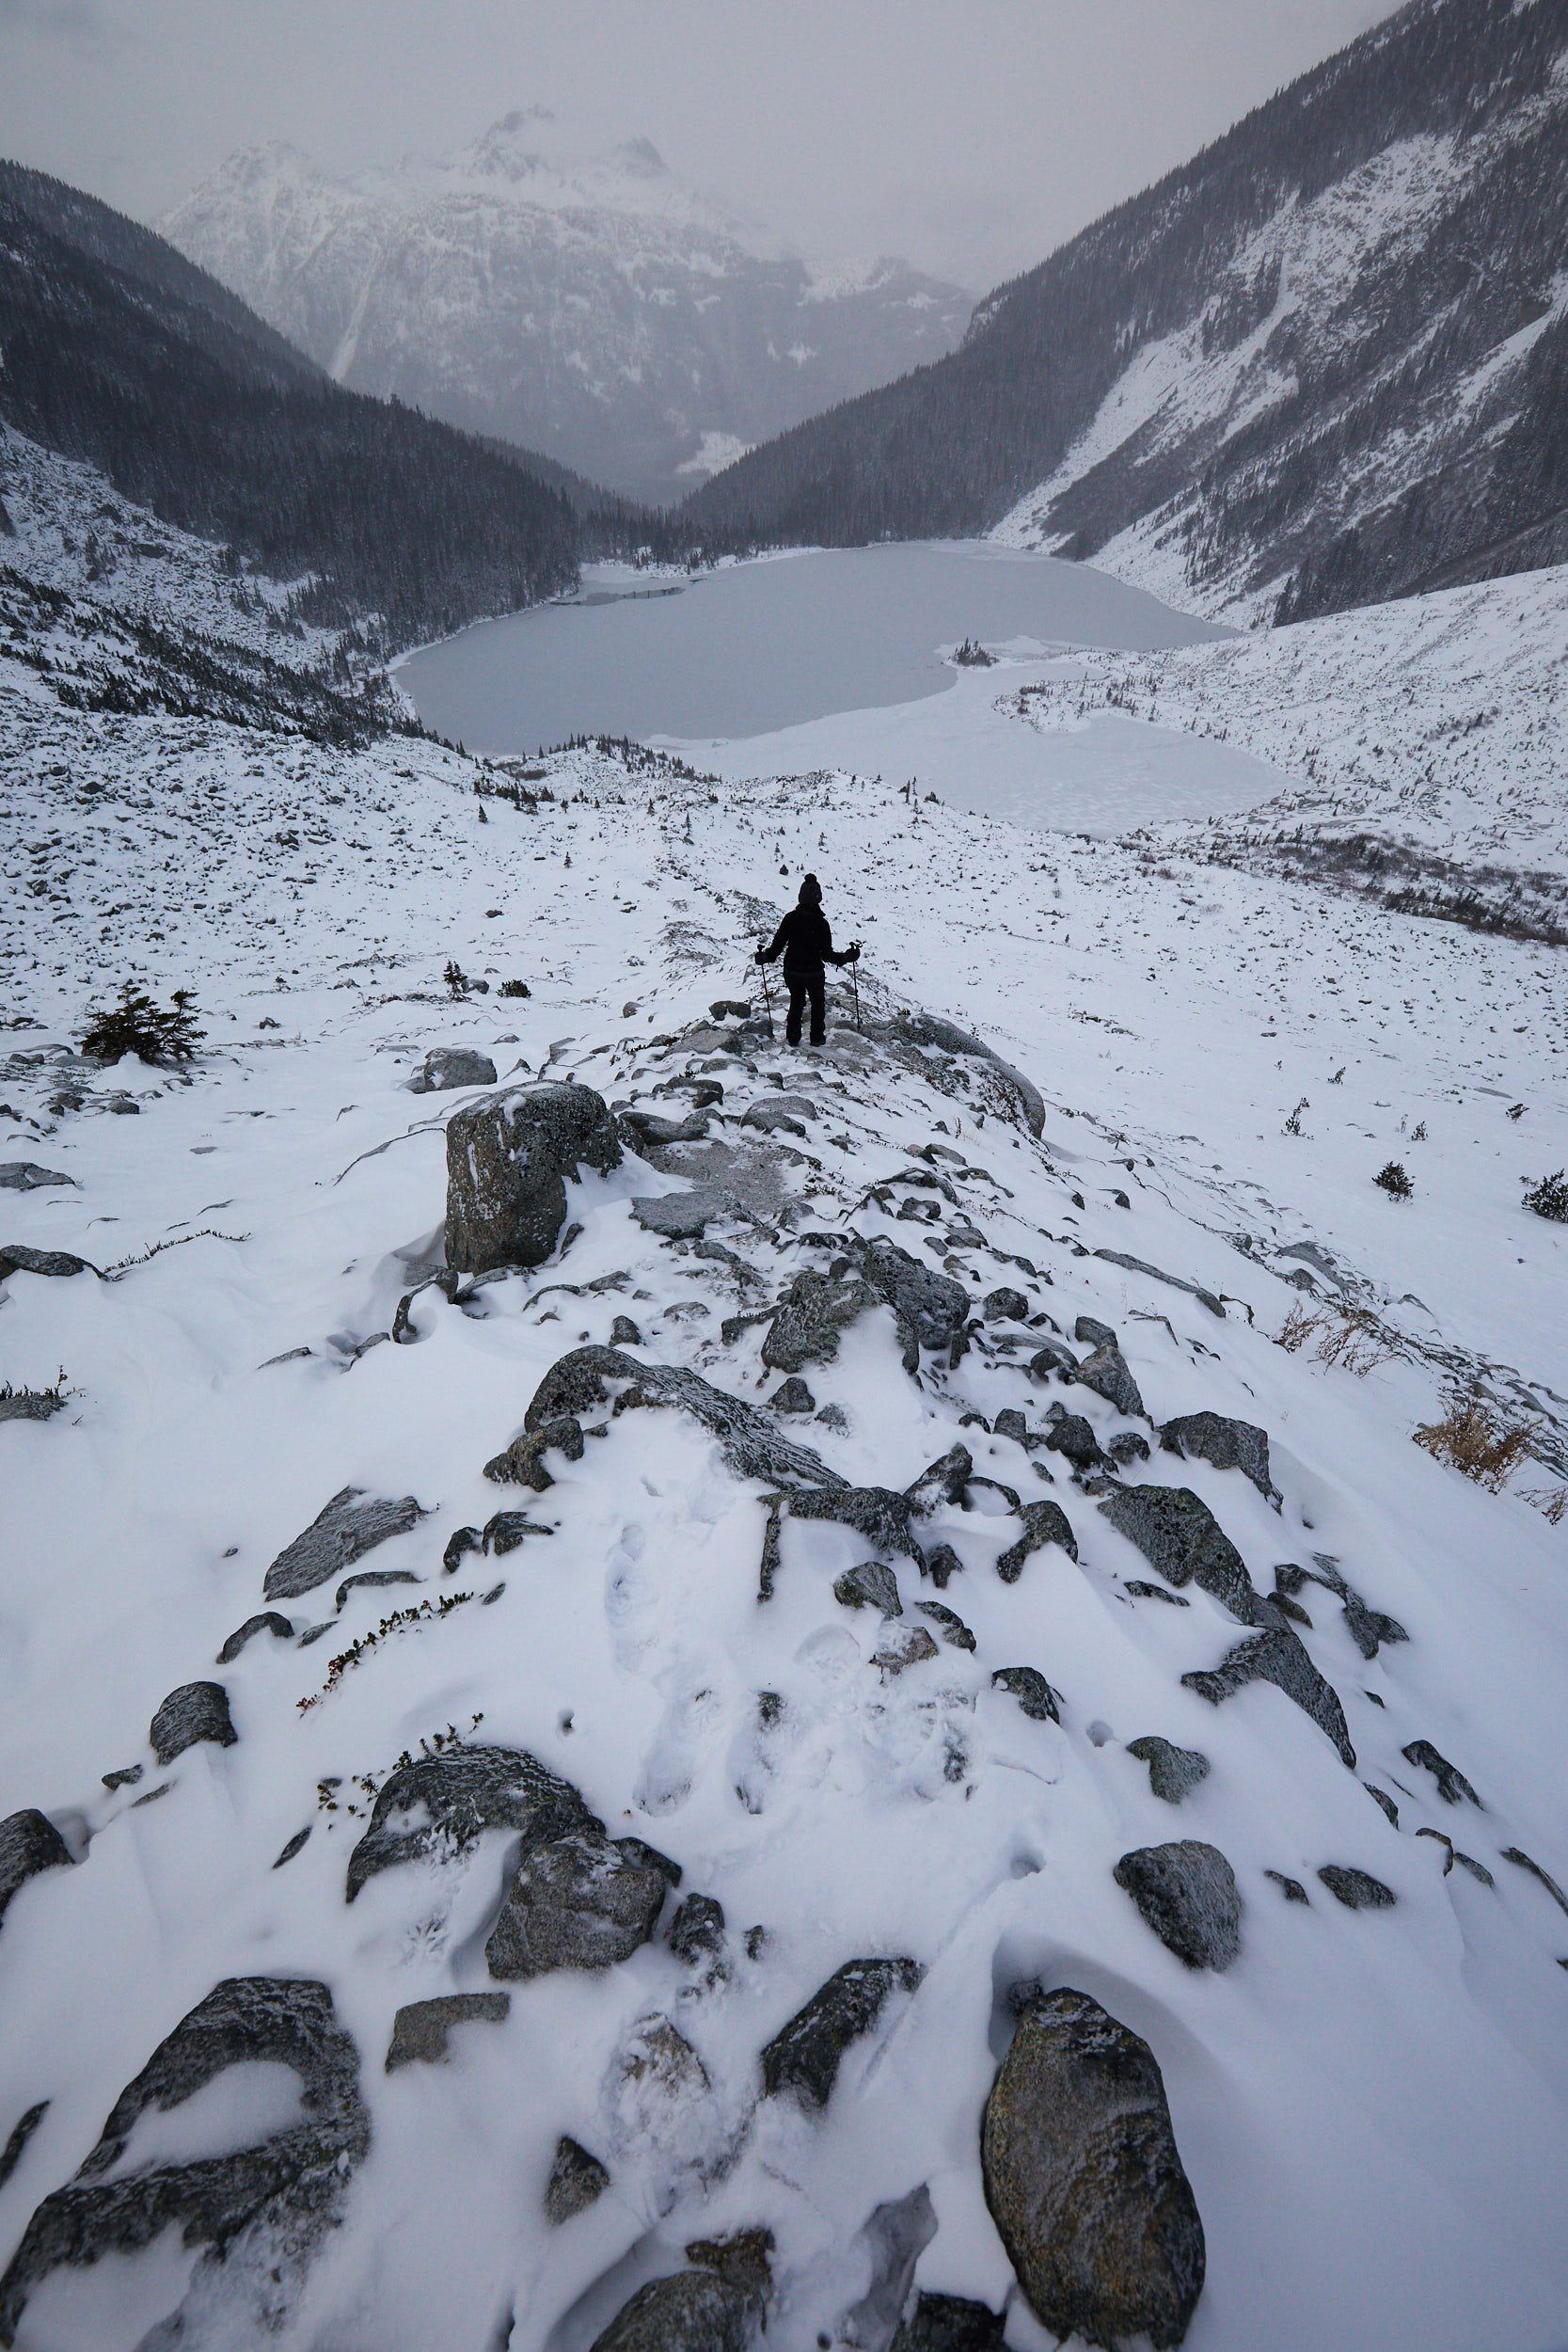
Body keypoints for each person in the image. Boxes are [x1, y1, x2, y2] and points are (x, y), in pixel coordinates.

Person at [755, 874, 860, 1046]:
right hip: (813, 972)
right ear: (818, 898)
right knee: (818, 1003)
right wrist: (846, 957)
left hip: (792, 970)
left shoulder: (790, 918)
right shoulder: (821, 923)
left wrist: (764, 957)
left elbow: (777, 947)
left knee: (796, 1001)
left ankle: (793, 1038)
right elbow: (826, 955)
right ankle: (817, 1038)